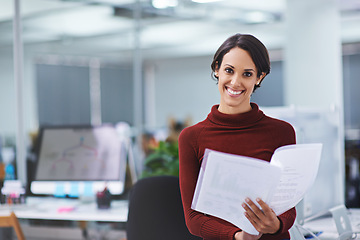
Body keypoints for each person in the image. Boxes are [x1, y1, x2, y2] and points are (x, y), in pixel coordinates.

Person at [178, 33, 296, 240]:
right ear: (217, 69)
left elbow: (288, 206)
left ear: (260, 77)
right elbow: (193, 218)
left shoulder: (282, 132)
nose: (235, 82)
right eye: (229, 71)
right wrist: (237, 236)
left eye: (247, 74)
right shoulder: (191, 137)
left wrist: (276, 224)